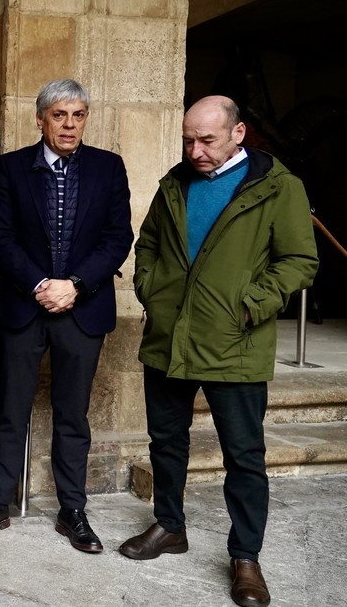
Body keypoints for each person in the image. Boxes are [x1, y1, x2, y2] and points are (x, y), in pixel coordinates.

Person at [122, 95, 318, 607]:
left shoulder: (279, 187)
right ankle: (169, 526)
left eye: (206, 140)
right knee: (166, 441)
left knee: (244, 456)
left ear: (238, 133)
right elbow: (147, 244)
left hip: (235, 340)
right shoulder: (174, 183)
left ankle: (246, 557)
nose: (195, 150)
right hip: (170, 337)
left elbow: (299, 260)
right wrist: (152, 288)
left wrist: (251, 304)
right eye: (188, 139)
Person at [0, 79, 133, 555]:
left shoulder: (108, 167)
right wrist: (40, 284)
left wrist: (76, 285)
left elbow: (118, 237)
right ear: (40, 119)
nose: (69, 124)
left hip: (83, 308)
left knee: (72, 415)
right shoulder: (13, 167)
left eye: (78, 115)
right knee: (11, 411)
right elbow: (1, 236)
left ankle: (72, 510)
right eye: (59, 115)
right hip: (26, 306)